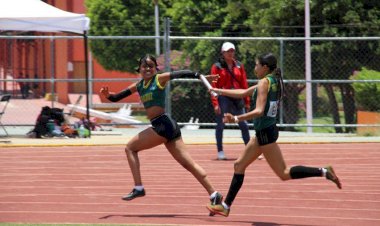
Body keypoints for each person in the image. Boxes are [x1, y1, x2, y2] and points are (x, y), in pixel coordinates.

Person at [207, 53, 342, 217]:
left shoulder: (264, 83)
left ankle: (323, 171)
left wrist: (236, 118)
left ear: (265, 67)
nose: (254, 68)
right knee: (239, 165)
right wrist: (217, 90)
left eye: (257, 65)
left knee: (284, 173)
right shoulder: (273, 80)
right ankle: (226, 206)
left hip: (265, 134)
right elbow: (243, 93)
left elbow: (258, 111)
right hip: (266, 131)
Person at [99, 54, 223, 207]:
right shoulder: (139, 85)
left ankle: (138, 188)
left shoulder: (159, 79)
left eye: (151, 66)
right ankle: (214, 194)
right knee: (188, 164)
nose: (148, 69)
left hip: (163, 124)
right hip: (167, 126)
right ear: (140, 69)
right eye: (145, 66)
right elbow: (116, 98)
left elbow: (183, 73)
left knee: (130, 148)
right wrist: (107, 95)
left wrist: (201, 77)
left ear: (155, 68)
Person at [211, 42, 261, 160]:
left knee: (243, 123)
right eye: (228, 51)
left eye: (232, 51)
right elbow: (213, 86)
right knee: (221, 124)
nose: (230, 53)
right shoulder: (217, 66)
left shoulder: (239, 65)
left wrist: (247, 100)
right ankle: (220, 151)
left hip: (238, 96)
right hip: (223, 96)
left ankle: (250, 150)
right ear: (222, 53)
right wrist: (215, 103)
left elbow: (244, 84)